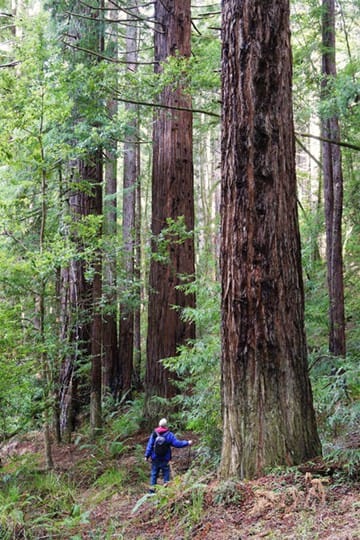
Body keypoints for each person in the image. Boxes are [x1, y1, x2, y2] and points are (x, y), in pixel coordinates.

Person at [144, 418, 192, 492]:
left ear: (159, 425)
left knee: (154, 475)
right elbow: (177, 444)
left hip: (155, 458)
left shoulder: (154, 433)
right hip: (165, 459)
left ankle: (151, 493)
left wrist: (146, 456)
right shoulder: (169, 435)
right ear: (166, 426)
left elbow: (150, 445)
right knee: (166, 475)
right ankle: (166, 492)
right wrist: (187, 442)